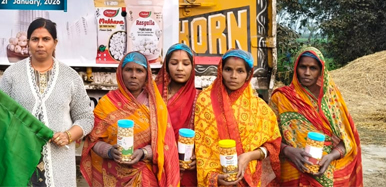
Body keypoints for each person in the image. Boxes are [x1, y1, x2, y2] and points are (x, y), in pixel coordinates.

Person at [0, 18, 94, 187]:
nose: (40, 44)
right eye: (35, 39)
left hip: (58, 161)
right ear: (28, 43)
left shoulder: (70, 77)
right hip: (20, 158)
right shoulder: (12, 75)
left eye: (46, 39)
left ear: (55, 43)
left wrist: (68, 135)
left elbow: (86, 118)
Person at [81, 51, 181, 187]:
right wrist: (110, 151)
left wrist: (143, 153)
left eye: (139, 71)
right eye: (128, 70)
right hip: (113, 176)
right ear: (120, 73)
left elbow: (165, 143)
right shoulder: (106, 103)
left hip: (145, 175)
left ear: (147, 76)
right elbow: (92, 141)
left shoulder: (156, 106)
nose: (133, 75)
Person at [270, 47, 363, 187]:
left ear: (321, 71)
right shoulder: (281, 98)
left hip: (327, 170)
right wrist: (288, 150)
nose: (307, 73)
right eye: (303, 67)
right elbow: (269, 136)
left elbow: (348, 140)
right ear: (296, 68)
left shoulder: (332, 100)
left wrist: (331, 156)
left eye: (313, 68)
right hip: (292, 168)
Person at [194, 49, 281, 187]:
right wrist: (214, 178)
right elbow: (201, 146)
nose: (233, 76)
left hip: (248, 177)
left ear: (248, 75)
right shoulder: (205, 100)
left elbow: (273, 145)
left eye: (240, 71)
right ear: (221, 70)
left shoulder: (259, 107)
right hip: (216, 178)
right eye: (228, 69)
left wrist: (249, 156)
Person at [155, 43, 199, 186]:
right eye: (174, 63)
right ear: (166, 66)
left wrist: (198, 157)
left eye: (186, 63)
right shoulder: (154, 95)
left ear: (192, 67)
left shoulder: (201, 98)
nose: (180, 68)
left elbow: (208, 135)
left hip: (186, 169)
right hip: (156, 163)